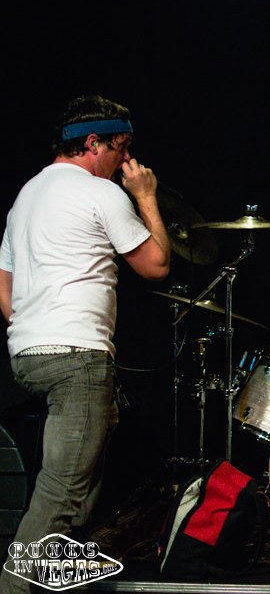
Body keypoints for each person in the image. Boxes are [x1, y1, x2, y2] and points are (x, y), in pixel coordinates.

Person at [0, 96, 170, 593]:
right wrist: (145, 196)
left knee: (90, 462)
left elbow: (4, 283)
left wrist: (31, 327)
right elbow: (156, 265)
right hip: (76, 358)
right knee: (61, 491)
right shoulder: (100, 193)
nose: (126, 159)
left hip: (28, 355)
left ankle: (59, 576)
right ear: (93, 143)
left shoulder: (26, 195)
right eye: (122, 147)